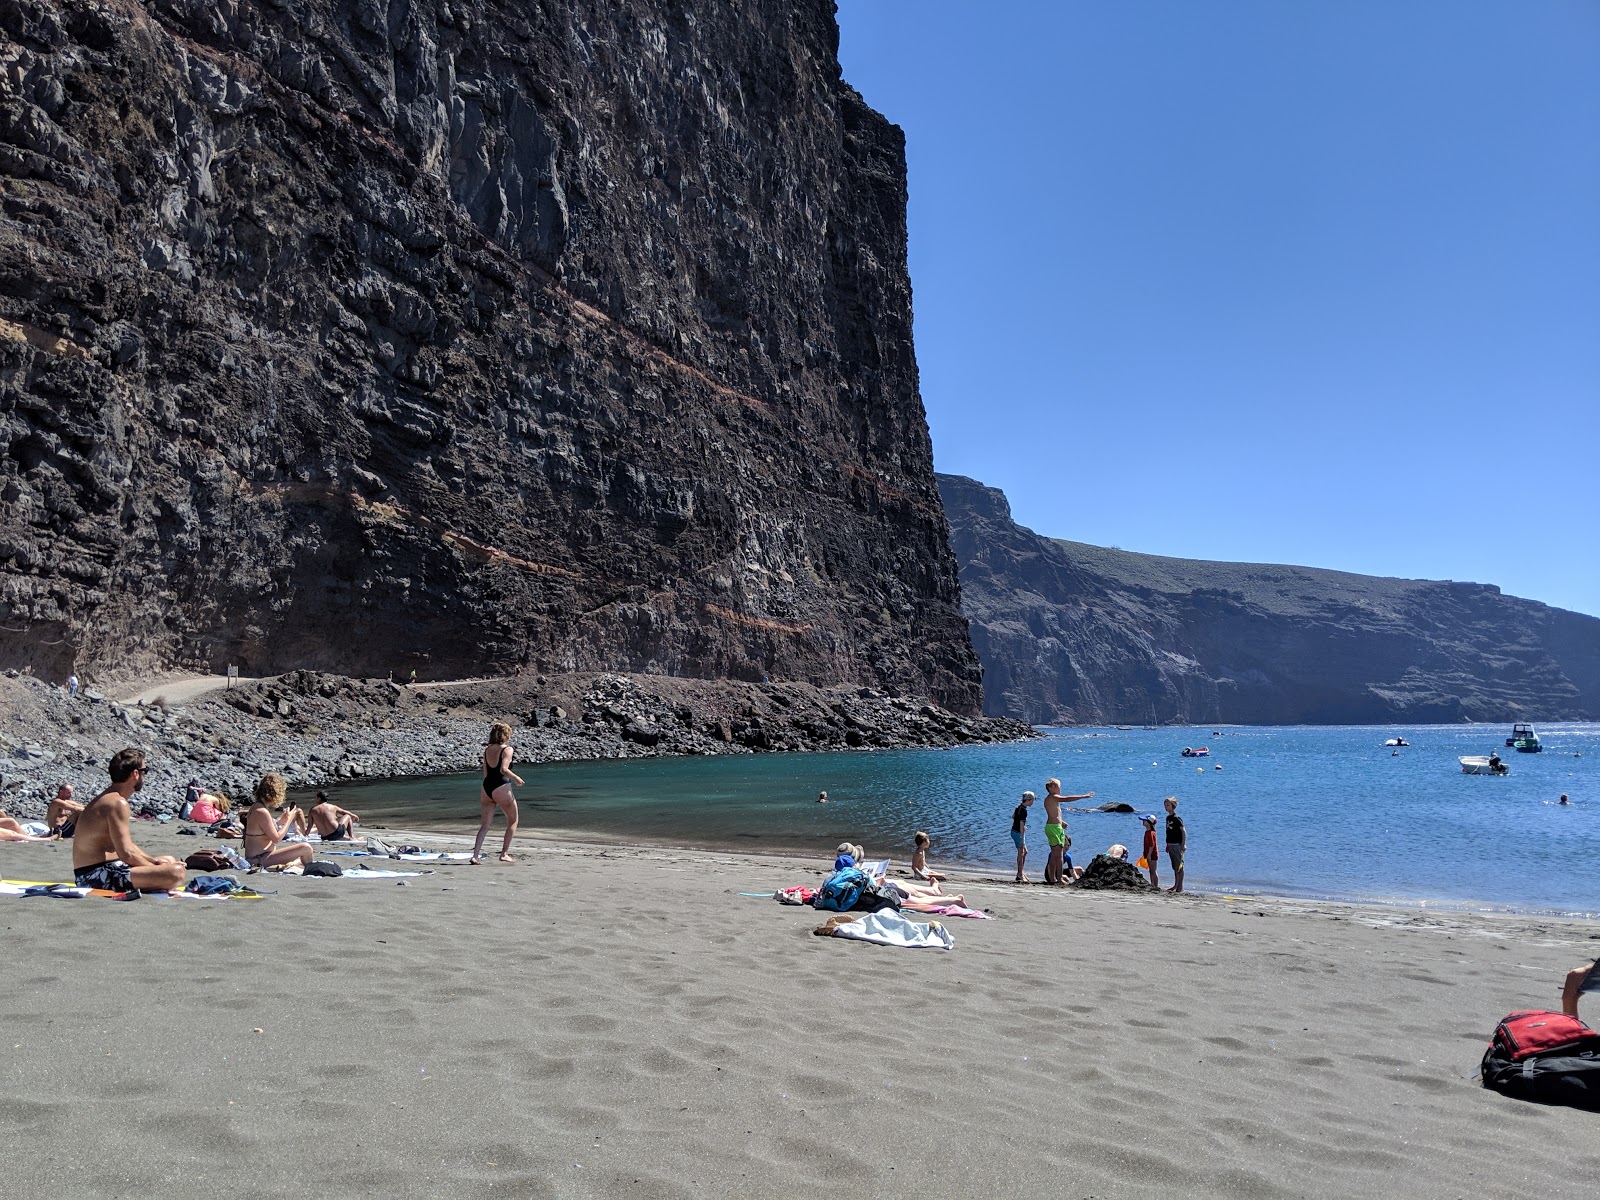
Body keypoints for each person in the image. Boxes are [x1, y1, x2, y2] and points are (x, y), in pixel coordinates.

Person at [70, 748, 185, 892]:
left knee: (169, 860)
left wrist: (155, 862)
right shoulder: (117, 803)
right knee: (175, 872)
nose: (146, 775)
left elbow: (128, 846)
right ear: (135, 774)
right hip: (94, 876)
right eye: (145, 770)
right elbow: (126, 854)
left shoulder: (110, 798)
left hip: (102, 870)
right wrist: (156, 868)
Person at [472, 721, 523, 864]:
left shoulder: (487, 750)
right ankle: (504, 854)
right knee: (513, 820)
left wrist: (487, 787)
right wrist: (516, 778)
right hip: (501, 786)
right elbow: (503, 770)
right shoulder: (507, 750)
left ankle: (475, 855)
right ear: (505, 735)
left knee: (485, 824)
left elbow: (486, 771)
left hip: (487, 786)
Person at [242, 773, 313, 870]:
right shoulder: (262, 812)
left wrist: (282, 819)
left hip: (259, 857)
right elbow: (277, 839)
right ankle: (309, 869)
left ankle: (291, 865)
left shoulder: (256, 807)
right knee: (306, 848)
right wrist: (289, 819)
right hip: (259, 859)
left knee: (301, 857)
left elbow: (265, 829)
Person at [1042, 778, 1094, 886]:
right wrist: (1084, 796)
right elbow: (1066, 799)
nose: (1059, 788)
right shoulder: (1053, 797)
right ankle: (1059, 878)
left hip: (1054, 826)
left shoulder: (1051, 799)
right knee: (1059, 855)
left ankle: (1052, 878)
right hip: (1054, 828)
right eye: (1057, 787)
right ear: (1051, 788)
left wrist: (1062, 822)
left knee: (1054, 855)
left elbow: (1054, 814)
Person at [1164, 796, 1186, 893]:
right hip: (1170, 844)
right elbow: (1168, 832)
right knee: (1174, 866)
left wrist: (1183, 844)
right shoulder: (1168, 818)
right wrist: (1167, 844)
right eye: (1165, 805)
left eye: (1168, 805)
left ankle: (1180, 886)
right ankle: (1176, 884)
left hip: (1177, 844)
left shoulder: (1177, 818)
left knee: (1179, 866)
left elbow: (1183, 831)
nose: (1166, 807)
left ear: (1173, 806)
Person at [1011, 791, 1034, 883]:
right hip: (1018, 833)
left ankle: (1020, 872)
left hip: (1014, 831)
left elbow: (1013, 817)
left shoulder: (1018, 807)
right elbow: (1021, 824)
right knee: (1021, 852)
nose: (1033, 802)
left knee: (1024, 852)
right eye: (1032, 800)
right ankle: (1020, 874)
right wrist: (1022, 835)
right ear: (1028, 800)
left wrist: (1023, 826)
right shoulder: (1024, 811)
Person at [1140, 813, 1160, 888]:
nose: (1143, 822)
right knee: (1151, 871)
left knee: (1153, 871)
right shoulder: (1147, 832)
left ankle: (1156, 885)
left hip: (1152, 855)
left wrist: (1149, 855)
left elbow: (1152, 845)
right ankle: (1152, 884)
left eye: (1144, 820)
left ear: (1149, 823)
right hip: (1149, 854)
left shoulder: (1151, 833)